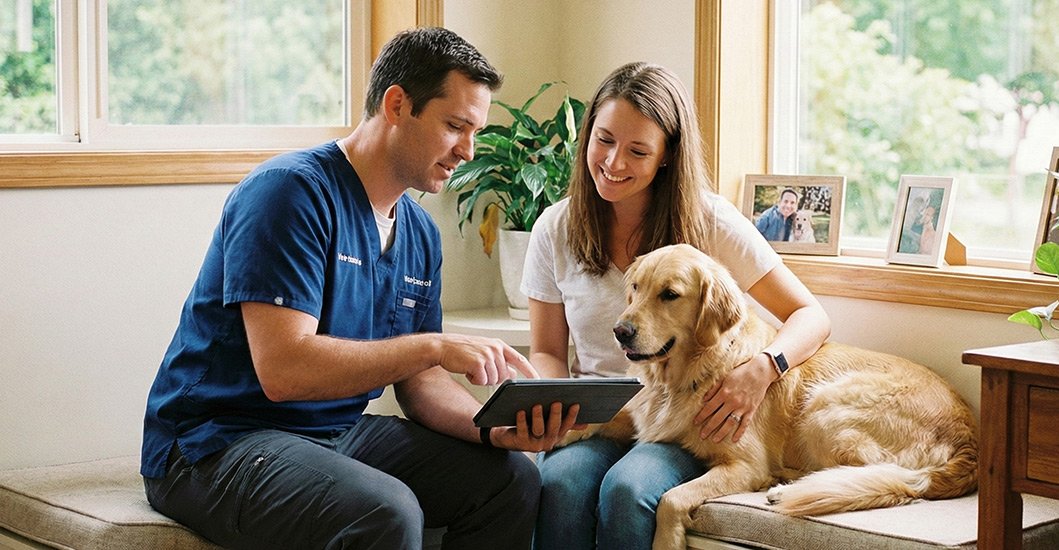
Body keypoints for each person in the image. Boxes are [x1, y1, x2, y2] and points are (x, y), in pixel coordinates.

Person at [140, 27, 575, 550]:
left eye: (475, 131)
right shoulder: (288, 193)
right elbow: (283, 370)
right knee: (384, 511)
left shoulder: (418, 232)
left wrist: (492, 429)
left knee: (511, 479)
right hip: (217, 442)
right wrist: (433, 345)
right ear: (397, 105)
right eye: (455, 126)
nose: (468, 150)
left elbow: (420, 383)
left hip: (332, 434)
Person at [521, 62, 832, 550]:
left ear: (666, 157)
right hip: (604, 411)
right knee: (559, 483)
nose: (613, 162)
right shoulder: (555, 229)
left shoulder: (711, 221)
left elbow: (811, 316)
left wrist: (760, 370)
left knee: (628, 490)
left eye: (638, 150)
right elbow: (546, 352)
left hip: (686, 411)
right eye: (603, 140)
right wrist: (546, 403)